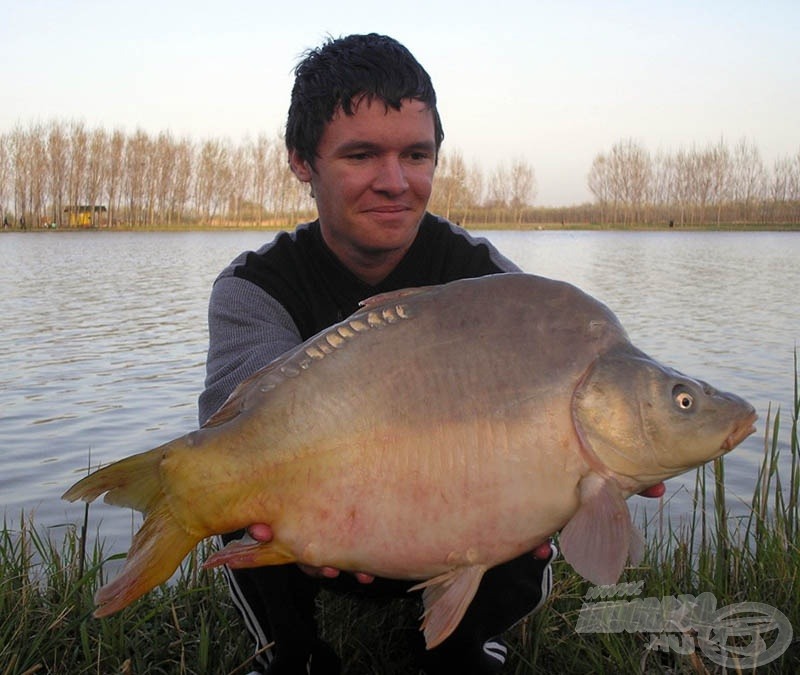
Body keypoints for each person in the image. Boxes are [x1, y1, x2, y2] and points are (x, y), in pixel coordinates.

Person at [199, 33, 664, 675]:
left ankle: (466, 648)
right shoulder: (256, 287)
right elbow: (230, 418)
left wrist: (615, 447)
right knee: (226, 472)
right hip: (319, 529)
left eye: (416, 154)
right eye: (361, 154)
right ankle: (290, 654)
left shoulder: (482, 276)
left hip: (457, 523)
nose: (395, 183)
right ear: (302, 162)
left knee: (539, 491)